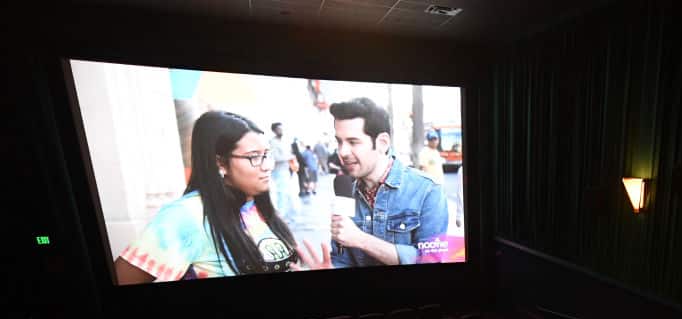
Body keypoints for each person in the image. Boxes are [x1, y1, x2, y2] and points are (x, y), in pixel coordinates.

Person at [114, 111, 331, 284]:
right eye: (254, 157)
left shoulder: (255, 204)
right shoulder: (185, 216)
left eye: (267, 155)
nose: (267, 166)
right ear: (220, 163)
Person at [329, 98, 449, 267]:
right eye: (339, 141)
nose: (342, 152)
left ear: (382, 143)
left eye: (353, 142)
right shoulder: (345, 192)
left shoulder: (427, 190)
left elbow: (432, 259)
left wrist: (361, 240)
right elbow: (342, 258)